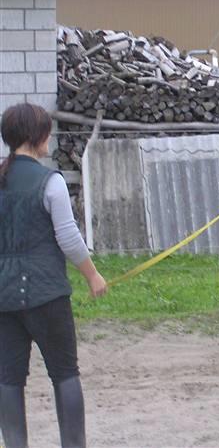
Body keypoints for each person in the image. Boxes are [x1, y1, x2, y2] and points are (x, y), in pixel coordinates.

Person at [0, 103, 107, 448]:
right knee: (64, 374)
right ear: (37, 137)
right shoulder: (51, 182)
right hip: (47, 295)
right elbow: (69, 238)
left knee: (8, 380)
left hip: (3, 298)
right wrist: (92, 276)